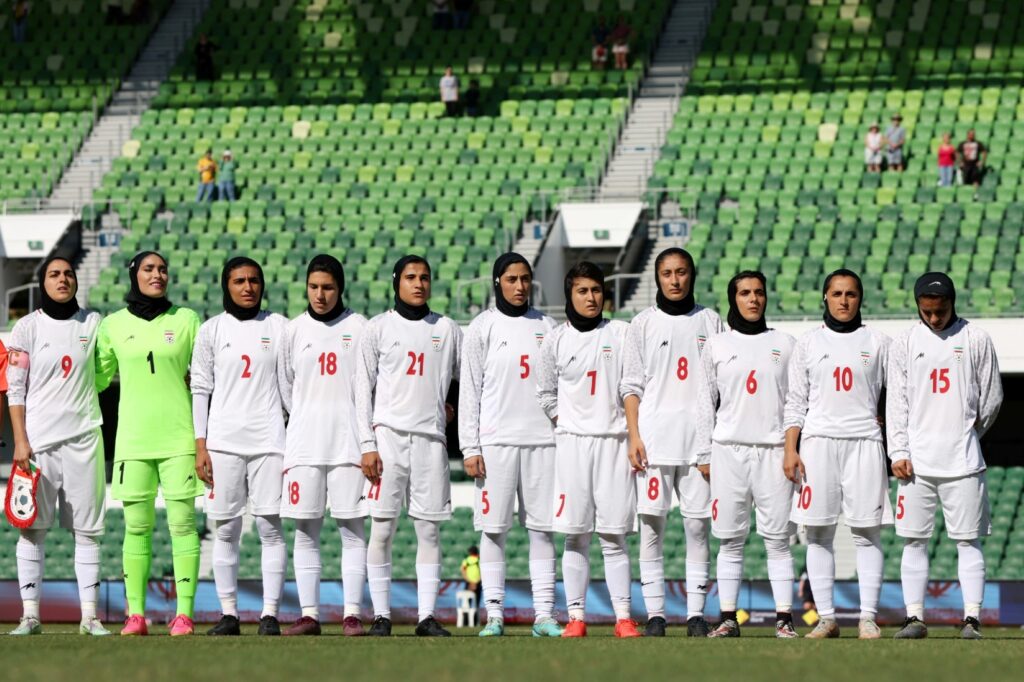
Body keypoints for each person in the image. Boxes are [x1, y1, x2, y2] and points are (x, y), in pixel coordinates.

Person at [887, 273, 1003, 640]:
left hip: (963, 461)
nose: (934, 318)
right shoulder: (905, 342)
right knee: (913, 540)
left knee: (968, 540)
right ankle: (914, 618)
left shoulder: (975, 338)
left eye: (941, 311)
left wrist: (967, 434)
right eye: (927, 312)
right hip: (916, 463)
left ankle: (972, 619)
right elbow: (896, 401)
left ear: (953, 303)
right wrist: (898, 450)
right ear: (917, 306)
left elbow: (992, 398)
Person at [95, 251, 203, 636]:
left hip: (179, 438)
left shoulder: (187, 320)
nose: (157, 275)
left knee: (183, 525)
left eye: (162, 269)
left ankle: (184, 615)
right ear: (134, 275)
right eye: (148, 269)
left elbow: (205, 374)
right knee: (136, 527)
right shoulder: (112, 325)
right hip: (133, 441)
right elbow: (96, 379)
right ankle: (136, 615)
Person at [783, 269, 893, 640]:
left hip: (864, 442)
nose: (843, 301)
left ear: (860, 299)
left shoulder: (880, 342)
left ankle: (868, 618)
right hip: (818, 444)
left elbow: (898, 395)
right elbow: (795, 401)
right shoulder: (808, 343)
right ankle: (826, 619)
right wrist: (791, 448)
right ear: (825, 297)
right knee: (818, 533)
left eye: (851, 294)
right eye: (836, 293)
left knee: (867, 533)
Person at [357, 256, 463, 638]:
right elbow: (361, 389)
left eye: (425, 278)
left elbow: (465, 379)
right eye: (411, 277)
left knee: (429, 532)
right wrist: (367, 444)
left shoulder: (447, 329)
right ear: (396, 282)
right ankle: (381, 616)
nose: (419, 284)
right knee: (382, 529)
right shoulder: (377, 328)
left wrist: (449, 407)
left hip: (431, 440)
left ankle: (426, 617)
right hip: (387, 439)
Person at [620, 248, 723, 638]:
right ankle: (656, 615)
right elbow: (631, 385)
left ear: (691, 275)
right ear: (657, 278)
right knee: (652, 528)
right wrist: (634, 435)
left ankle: (696, 614)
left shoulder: (711, 320)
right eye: (667, 273)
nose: (675, 280)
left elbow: (721, 384)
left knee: (697, 527)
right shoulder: (642, 323)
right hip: (654, 442)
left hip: (699, 444)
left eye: (681, 272)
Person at [458, 253, 562, 638]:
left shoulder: (548, 326)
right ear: (497, 282)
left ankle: (544, 615)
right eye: (512, 279)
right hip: (496, 444)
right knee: (493, 530)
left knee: (542, 530)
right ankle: (495, 614)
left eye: (525, 279)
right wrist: (470, 447)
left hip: (542, 442)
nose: (520, 286)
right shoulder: (481, 327)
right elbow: (470, 390)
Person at [5, 257, 109, 637]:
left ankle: (90, 617)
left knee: (87, 531)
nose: (63, 279)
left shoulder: (93, 323)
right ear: (42, 282)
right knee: (32, 530)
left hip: (85, 438)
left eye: (68, 274)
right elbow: (15, 389)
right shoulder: (27, 327)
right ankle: (30, 616)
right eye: (54, 274)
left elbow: (106, 372)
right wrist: (20, 440)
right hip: (38, 445)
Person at [537, 262, 640, 639]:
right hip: (572, 447)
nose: (591, 297)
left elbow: (632, 385)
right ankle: (576, 618)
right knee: (575, 535)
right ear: (570, 295)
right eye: (583, 291)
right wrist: (566, 420)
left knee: (613, 536)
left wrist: (632, 434)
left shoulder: (621, 333)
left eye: (596, 290)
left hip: (614, 443)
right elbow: (545, 392)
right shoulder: (555, 340)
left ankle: (623, 618)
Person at [699, 271, 799, 639]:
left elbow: (797, 401)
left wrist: (792, 448)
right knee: (730, 539)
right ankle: (728, 618)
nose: (753, 299)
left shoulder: (786, 344)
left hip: (774, 451)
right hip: (728, 451)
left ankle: (784, 619)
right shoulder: (716, 344)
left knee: (778, 540)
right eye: (744, 293)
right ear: (734, 299)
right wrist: (704, 453)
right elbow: (704, 402)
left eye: (758, 292)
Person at [191, 258, 288, 637]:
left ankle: (270, 614)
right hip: (223, 444)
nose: (248, 287)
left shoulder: (279, 327)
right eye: (239, 281)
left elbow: (293, 383)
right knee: (226, 529)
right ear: (226, 286)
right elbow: (200, 388)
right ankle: (228, 613)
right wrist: (201, 444)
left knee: (269, 527)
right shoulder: (211, 330)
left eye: (254, 280)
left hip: (269, 442)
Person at [277, 255, 369, 637]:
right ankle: (309, 614)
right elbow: (286, 388)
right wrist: (305, 417)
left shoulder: (360, 327)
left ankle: (352, 614)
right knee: (305, 529)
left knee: (352, 529)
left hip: (348, 445)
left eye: (328, 287)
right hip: (304, 445)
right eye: (314, 287)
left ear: (340, 288)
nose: (320, 294)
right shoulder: (293, 331)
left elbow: (367, 386)